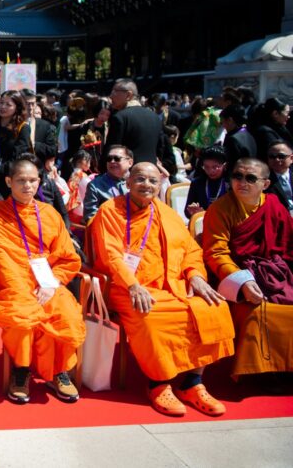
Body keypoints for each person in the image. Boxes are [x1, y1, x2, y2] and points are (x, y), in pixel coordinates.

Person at [89, 163, 235, 417]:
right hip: (126, 286)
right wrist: (133, 285)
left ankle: (192, 382)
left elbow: (190, 250)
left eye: (153, 181)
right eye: (140, 179)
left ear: (160, 185)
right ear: (128, 182)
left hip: (173, 285)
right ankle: (158, 383)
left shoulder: (167, 214)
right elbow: (110, 255)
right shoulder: (110, 211)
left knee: (214, 307)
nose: (146, 185)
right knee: (151, 316)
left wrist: (196, 276)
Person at [0, 158, 85, 404]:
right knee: (22, 314)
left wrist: (51, 283)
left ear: (39, 182)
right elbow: (1, 260)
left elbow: (67, 256)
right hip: (15, 284)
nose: (27, 186)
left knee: (67, 314)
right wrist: (26, 289)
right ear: (9, 182)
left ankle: (58, 371)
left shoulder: (49, 213)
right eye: (21, 180)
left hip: (49, 282)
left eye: (32, 180)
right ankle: (21, 370)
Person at [202, 158, 293, 382]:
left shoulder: (274, 206)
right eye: (237, 176)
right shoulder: (220, 209)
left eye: (250, 178)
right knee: (258, 312)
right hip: (234, 276)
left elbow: (289, 245)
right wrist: (242, 281)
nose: (242, 182)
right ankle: (262, 372)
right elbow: (216, 253)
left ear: (265, 184)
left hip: (275, 273)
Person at [101, 80, 174, 173]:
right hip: (151, 172)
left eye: (115, 92)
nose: (111, 96)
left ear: (128, 95)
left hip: (127, 175)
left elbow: (112, 150)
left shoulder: (120, 117)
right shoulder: (154, 117)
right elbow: (161, 148)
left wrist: (102, 170)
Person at [83, 145, 132, 224]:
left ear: (130, 162)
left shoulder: (138, 182)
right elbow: (90, 217)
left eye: (117, 158)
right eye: (109, 159)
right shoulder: (95, 185)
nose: (112, 161)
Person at [185, 147, 228, 218]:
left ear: (224, 165)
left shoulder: (230, 184)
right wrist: (192, 211)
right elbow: (187, 211)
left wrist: (206, 214)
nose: (211, 171)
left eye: (215, 167)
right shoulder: (197, 183)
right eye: (206, 167)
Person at [220, 105, 257, 171]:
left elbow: (231, 165)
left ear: (230, 120)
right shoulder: (248, 134)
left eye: (222, 122)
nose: (223, 126)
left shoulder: (233, 140)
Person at [265, 141, 293, 212]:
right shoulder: (264, 180)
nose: (276, 160)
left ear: (291, 158)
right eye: (272, 157)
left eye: (281, 156)